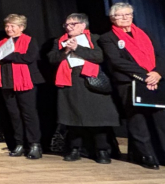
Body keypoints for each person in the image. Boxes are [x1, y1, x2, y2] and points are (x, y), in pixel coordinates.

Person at [98, 2, 165, 169]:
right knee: (137, 120)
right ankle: (146, 155)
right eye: (120, 15)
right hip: (129, 83)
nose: (125, 18)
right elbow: (117, 61)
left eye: (128, 14)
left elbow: (162, 54)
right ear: (112, 18)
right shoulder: (107, 38)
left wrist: (157, 73)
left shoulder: (146, 33)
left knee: (163, 120)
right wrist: (144, 76)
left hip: (155, 80)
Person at [47, 13, 119, 164]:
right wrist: (65, 50)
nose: (68, 27)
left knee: (98, 118)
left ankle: (102, 150)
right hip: (69, 81)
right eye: (67, 24)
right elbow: (52, 59)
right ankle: (74, 149)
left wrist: (77, 48)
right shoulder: (59, 41)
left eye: (72, 24)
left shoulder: (94, 38)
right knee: (73, 118)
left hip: (91, 80)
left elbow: (98, 57)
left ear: (82, 25)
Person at [0, 14, 44, 159]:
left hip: (25, 81)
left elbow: (28, 57)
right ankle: (19, 144)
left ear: (21, 27)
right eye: (7, 26)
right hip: (7, 82)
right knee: (14, 115)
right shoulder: (1, 42)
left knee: (29, 114)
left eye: (12, 26)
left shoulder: (29, 40)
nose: (8, 29)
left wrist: (7, 55)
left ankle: (34, 145)